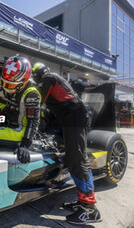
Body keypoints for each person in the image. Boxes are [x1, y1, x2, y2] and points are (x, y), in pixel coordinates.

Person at [32, 62, 101, 225]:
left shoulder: (49, 79)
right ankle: (82, 203)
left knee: (77, 160)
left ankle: (90, 209)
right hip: (72, 119)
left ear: (37, 74)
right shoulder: (53, 79)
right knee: (76, 159)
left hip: (75, 120)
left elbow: (35, 101)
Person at [0, 56, 41, 163]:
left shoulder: (31, 93)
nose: (7, 88)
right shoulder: (8, 88)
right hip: (9, 126)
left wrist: (25, 145)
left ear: (23, 81)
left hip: (20, 132)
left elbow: (33, 121)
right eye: (5, 83)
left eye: (11, 85)